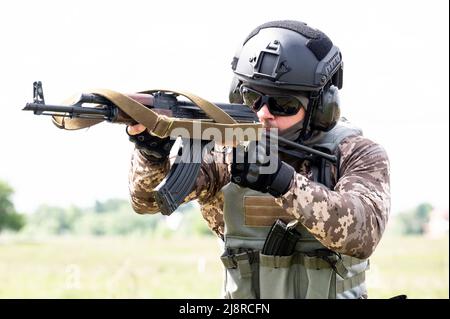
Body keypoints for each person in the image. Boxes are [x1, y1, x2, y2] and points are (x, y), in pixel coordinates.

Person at [126, 20, 390, 299]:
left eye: (283, 104)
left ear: (321, 108)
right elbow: (148, 202)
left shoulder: (355, 153)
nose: (263, 113)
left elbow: (364, 233)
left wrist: (282, 182)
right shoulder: (225, 151)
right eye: (252, 97)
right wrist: (151, 154)